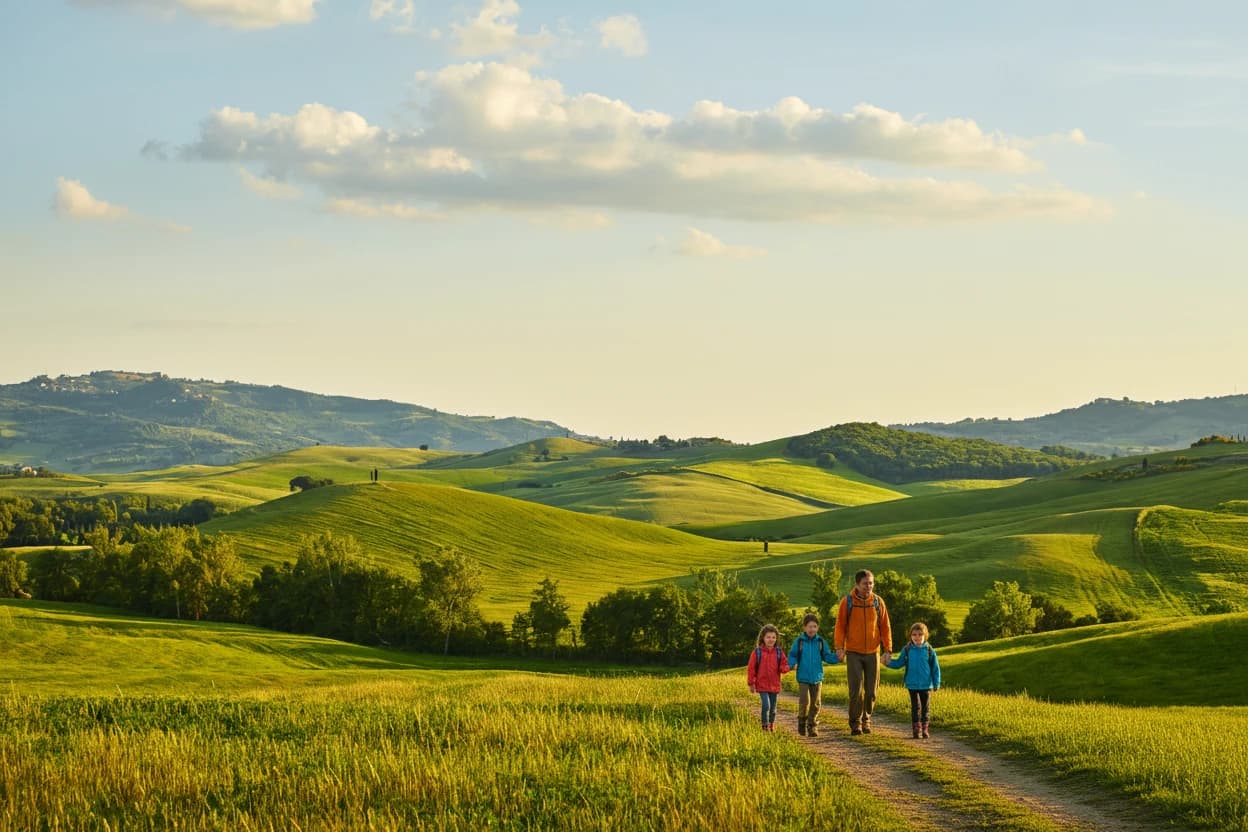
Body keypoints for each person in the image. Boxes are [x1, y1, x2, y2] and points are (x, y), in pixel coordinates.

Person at [834, 569, 893, 736]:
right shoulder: (847, 602)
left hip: (873, 652)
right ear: (857, 585)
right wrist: (839, 648)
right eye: (865, 583)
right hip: (853, 652)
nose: (869, 586)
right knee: (855, 690)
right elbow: (840, 627)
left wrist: (888, 649)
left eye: (871, 583)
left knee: (871, 690)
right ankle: (855, 723)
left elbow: (885, 627)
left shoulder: (878, 602)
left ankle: (867, 718)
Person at [884, 621, 941, 738]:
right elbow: (898, 663)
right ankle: (916, 730)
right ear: (910, 636)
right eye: (914, 635)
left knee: (925, 707)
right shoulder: (907, 649)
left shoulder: (929, 650)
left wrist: (936, 683)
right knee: (915, 707)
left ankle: (925, 729)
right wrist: (887, 662)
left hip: (926, 684)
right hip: (912, 684)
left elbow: (935, 668)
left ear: (925, 635)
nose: (917, 637)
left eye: (920, 634)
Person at [787, 613, 839, 737]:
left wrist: (838, 657)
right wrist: (792, 664)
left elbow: (827, 655)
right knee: (804, 701)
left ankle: (812, 726)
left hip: (817, 677)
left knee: (816, 703)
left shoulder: (820, 641)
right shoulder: (799, 642)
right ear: (804, 628)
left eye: (814, 626)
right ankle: (801, 721)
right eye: (809, 627)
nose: (812, 629)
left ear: (817, 628)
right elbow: (792, 655)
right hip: (803, 677)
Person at [747, 623, 790, 732]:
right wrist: (751, 683)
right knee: (766, 705)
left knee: (773, 709)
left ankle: (771, 724)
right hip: (762, 684)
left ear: (776, 638)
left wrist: (786, 668)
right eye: (768, 637)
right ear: (763, 638)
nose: (771, 640)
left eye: (773, 637)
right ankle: (764, 726)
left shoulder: (779, 652)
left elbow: (784, 664)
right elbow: (751, 668)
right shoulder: (757, 652)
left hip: (774, 685)